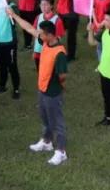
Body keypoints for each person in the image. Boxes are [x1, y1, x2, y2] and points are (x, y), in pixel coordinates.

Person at [8, 9, 69, 166]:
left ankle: (61, 151)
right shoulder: (46, 42)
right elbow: (29, 28)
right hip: (42, 89)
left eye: (41, 34)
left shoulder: (59, 53)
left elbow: (63, 76)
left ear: (50, 35)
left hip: (52, 92)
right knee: (44, 116)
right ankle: (47, 141)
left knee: (57, 121)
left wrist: (59, 86)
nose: (39, 35)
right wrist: (13, 15)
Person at [0, 0, 21, 99]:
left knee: (12, 67)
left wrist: (11, 13)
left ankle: (16, 89)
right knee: (1, 66)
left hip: (10, 43)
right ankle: (2, 85)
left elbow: (15, 19)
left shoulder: (12, 7)